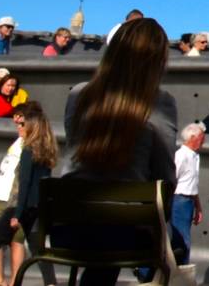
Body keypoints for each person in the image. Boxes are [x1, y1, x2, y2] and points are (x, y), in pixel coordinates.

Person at [60, 17, 179, 286]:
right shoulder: (160, 102)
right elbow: (165, 175)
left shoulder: (78, 94)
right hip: (126, 231)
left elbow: (74, 148)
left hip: (66, 225)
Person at [0, 102, 57, 286]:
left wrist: (17, 214)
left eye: (22, 124)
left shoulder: (27, 150)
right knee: (38, 249)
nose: (18, 127)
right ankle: (51, 283)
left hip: (20, 207)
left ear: (31, 127)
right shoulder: (47, 150)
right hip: (36, 208)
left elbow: (24, 184)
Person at [172, 124, 205, 258]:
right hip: (179, 200)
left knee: (182, 239)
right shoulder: (181, 155)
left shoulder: (195, 157)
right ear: (192, 137)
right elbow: (173, 179)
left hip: (188, 201)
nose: (203, 142)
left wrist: (198, 207)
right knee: (182, 240)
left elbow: (193, 185)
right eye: (202, 138)